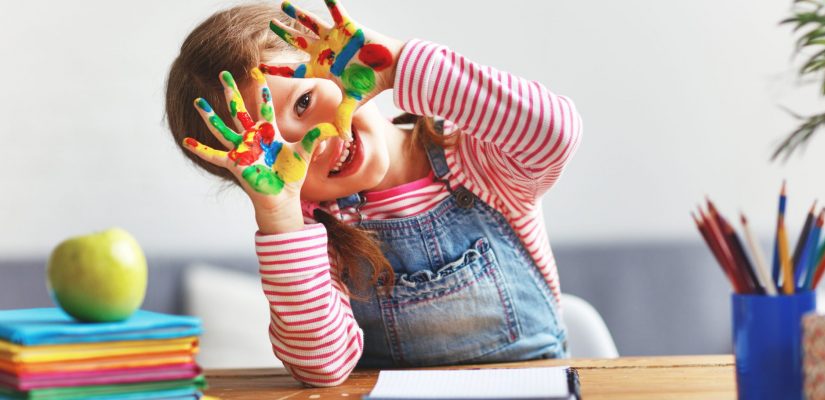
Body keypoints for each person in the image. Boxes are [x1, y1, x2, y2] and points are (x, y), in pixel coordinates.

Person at [165, 0, 582, 387]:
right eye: (271, 151)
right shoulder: (311, 232)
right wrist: (280, 216)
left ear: (338, 61)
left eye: (303, 101)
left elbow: (554, 134)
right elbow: (322, 367)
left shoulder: (475, 159)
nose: (313, 142)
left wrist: (398, 64)